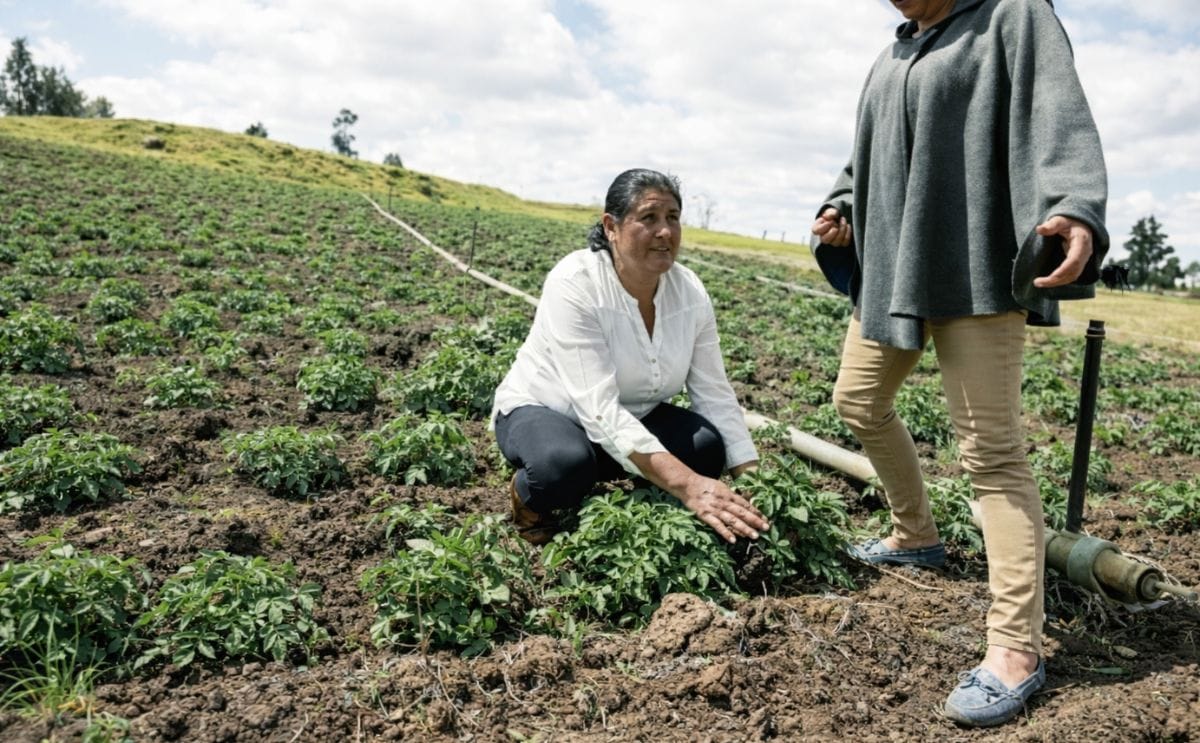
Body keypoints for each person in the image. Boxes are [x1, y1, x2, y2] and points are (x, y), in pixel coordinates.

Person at [810, 0, 1108, 729]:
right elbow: (863, 161)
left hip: (974, 265)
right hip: (896, 271)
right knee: (857, 400)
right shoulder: (893, 56)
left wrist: (1072, 204)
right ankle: (916, 534)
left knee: (992, 453)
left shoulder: (1011, 16)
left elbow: (1056, 113)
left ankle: (1016, 648)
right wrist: (842, 206)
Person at [492, 168, 768, 546]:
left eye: (673, 218)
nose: (665, 232)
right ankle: (530, 499)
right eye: (649, 218)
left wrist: (758, 487)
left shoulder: (689, 291)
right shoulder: (576, 282)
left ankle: (633, 488)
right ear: (611, 226)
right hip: (550, 410)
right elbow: (598, 407)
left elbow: (715, 392)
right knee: (563, 465)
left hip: (635, 413)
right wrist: (688, 486)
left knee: (707, 448)